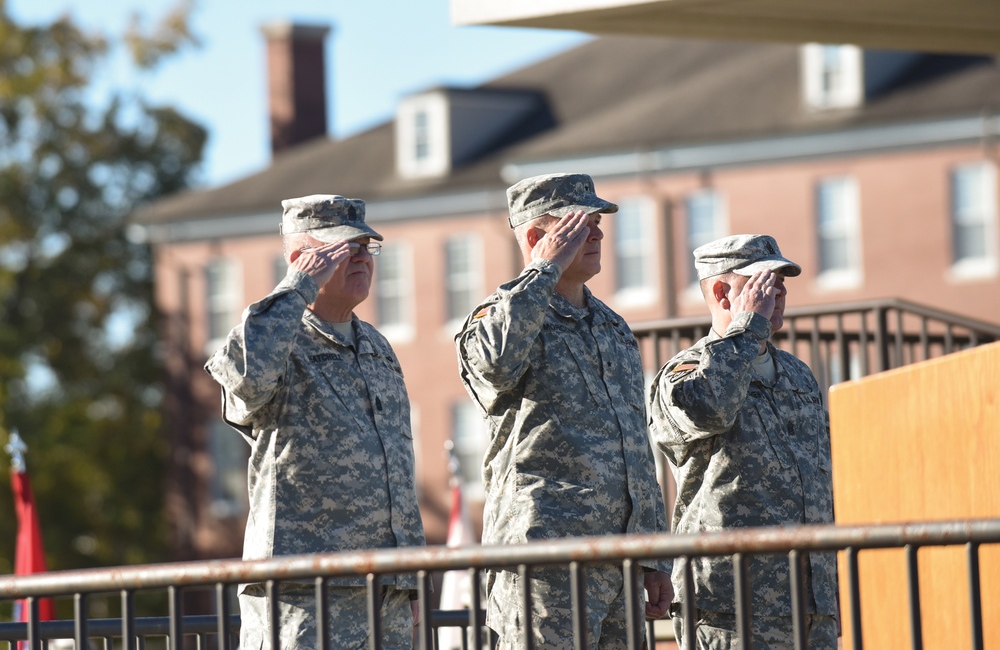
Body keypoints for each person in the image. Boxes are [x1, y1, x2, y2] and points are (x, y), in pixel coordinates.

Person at [455, 172, 673, 649]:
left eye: (598, 222)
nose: (597, 233)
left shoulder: (612, 327)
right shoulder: (497, 319)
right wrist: (543, 271)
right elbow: (493, 364)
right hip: (547, 560)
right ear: (537, 238)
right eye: (579, 224)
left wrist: (655, 553)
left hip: (620, 558)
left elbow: (636, 448)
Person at [204, 194, 426, 650]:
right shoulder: (274, 337)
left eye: (367, 246)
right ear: (299, 258)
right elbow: (245, 379)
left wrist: (410, 575)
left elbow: (397, 470)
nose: (361, 255)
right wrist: (298, 286)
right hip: (307, 591)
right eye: (344, 247)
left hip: (387, 591)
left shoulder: (378, 348)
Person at [648, 234, 839, 649]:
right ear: (722, 292)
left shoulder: (797, 373)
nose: (780, 291)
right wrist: (747, 328)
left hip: (811, 598)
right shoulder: (687, 371)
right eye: (764, 281)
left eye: (782, 280)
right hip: (731, 603)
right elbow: (709, 408)